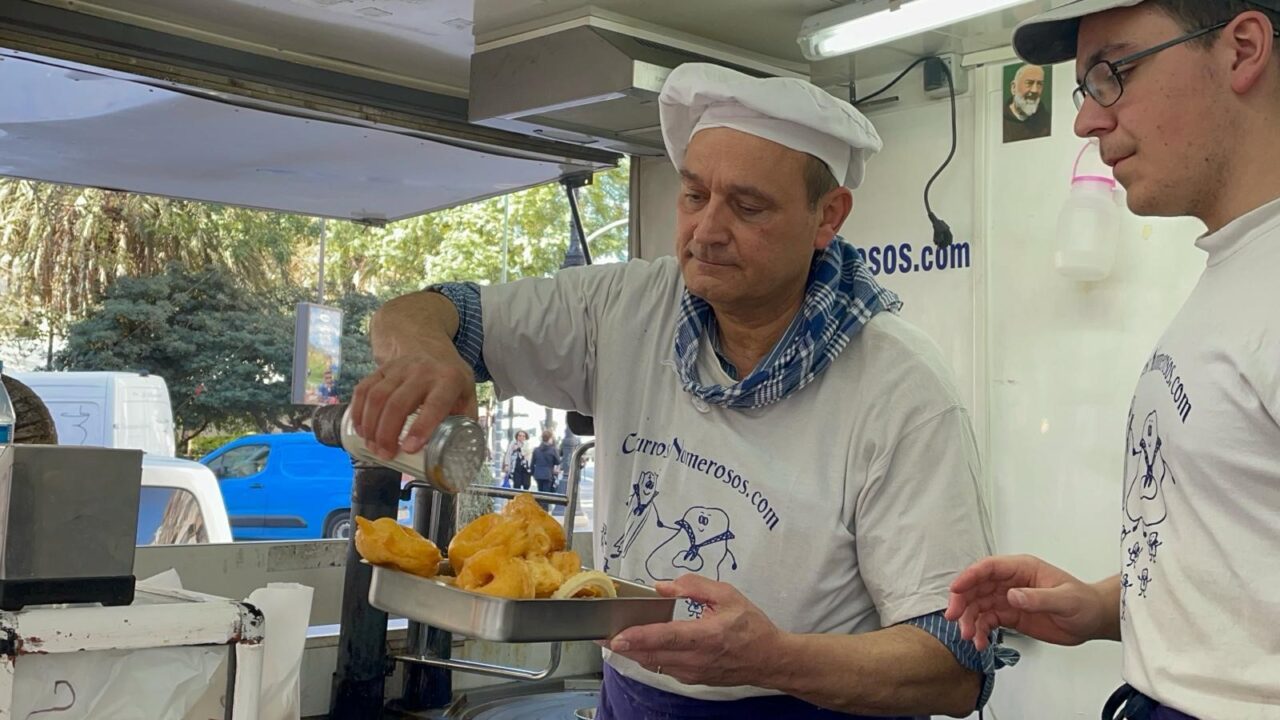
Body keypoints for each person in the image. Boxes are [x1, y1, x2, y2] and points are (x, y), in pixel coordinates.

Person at [353, 62, 1000, 718]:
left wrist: (774, 657)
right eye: (694, 196)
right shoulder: (628, 306)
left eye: (748, 206)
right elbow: (420, 313)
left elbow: (955, 669)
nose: (708, 230)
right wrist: (428, 356)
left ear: (827, 216)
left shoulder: (899, 389)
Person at [946, 2, 1280, 719]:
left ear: (1242, 48)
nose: (1086, 120)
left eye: (1113, 74)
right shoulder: (1238, 264)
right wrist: (1101, 607)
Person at [1003, 63, 1051, 143]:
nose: (1035, 90)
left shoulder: (1046, 121)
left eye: (1039, 84)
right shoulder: (999, 123)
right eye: (1029, 83)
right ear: (1013, 87)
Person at [531, 429, 561, 505]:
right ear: (550, 438)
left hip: (538, 474)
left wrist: (533, 473)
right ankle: (544, 511)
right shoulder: (553, 449)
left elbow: (532, 463)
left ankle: (540, 509)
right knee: (546, 495)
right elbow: (557, 461)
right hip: (547, 474)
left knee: (540, 493)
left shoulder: (536, 450)